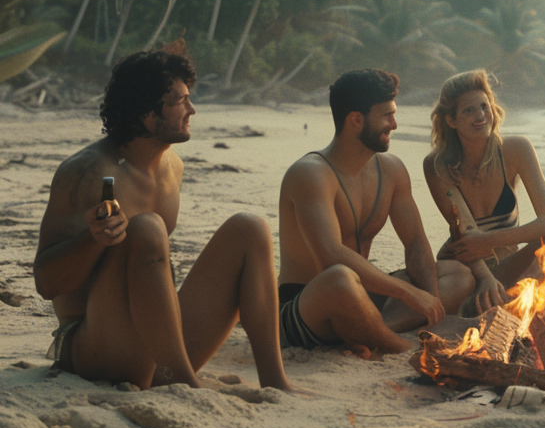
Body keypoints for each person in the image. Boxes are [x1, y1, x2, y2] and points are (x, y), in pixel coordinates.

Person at [34, 47, 295, 392]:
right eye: (180, 101)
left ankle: (275, 381)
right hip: (90, 345)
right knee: (146, 227)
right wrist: (92, 239)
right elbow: (45, 283)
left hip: (156, 344)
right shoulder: (86, 172)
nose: (192, 110)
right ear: (146, 113)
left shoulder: (172, 166)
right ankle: (183, 382)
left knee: (250, 227)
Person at [277, 69, 475, 353]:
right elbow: (331, 255)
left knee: (457, 274)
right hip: (308, 308)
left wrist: (431, 302)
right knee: (340, 279)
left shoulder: (391, 169)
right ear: (356, 120)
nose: (394, 124)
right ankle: (400, 347)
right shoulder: (311, 174)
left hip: (361, 296)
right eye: (386, 116)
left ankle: (372, 331)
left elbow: (416, 242)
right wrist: (408, 292)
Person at [422, 70, 545, 313]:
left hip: (506, 268)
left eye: (484, 106)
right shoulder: (437, 164)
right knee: (470, 288)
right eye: (468, 111)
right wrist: (485, 278)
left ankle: (519, 305)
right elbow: (464, 232)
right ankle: (508, 310)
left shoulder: (515, 150)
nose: (480, 116)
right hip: (466, 271)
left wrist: (489, 240)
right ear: (451, 120)